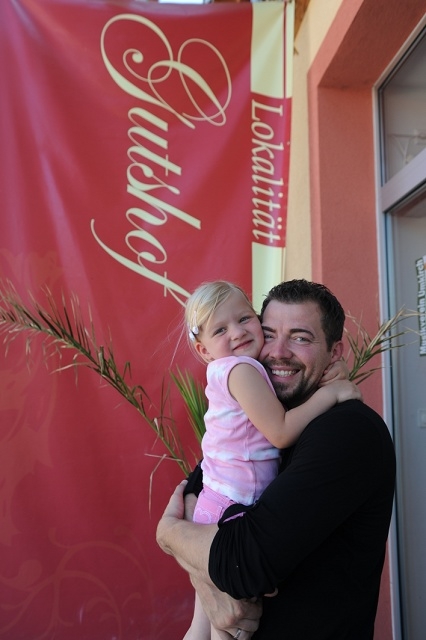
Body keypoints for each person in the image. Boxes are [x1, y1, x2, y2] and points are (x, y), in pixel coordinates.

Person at [157, 279, 396, 640]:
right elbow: (201, 481)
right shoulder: (263, 414)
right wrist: (198, 568)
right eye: (269, 334)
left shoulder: (348, 431)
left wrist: (172, 533)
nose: (278, 352)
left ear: (335, 352)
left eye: (300, 338)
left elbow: (245, 564)